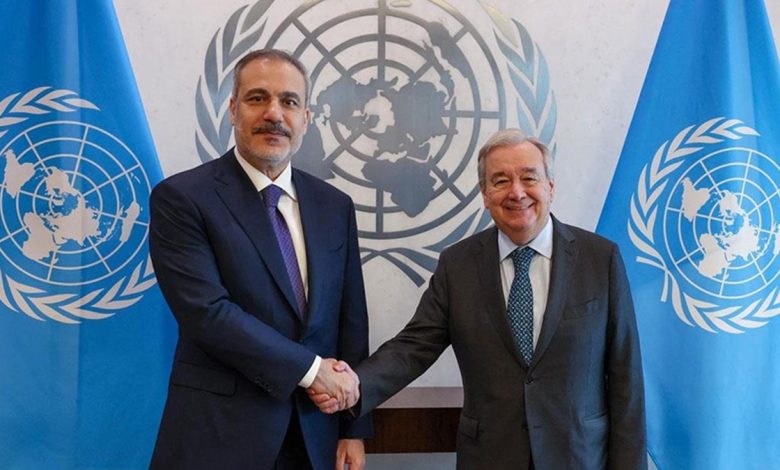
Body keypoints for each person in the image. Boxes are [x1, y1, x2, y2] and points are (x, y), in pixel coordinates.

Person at [312, 129, 646, 469]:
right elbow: (413, 347)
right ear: (485, 195)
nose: (517, 192)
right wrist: (355, 384)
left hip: (579, 457)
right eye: (500, 181)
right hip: (490, 456)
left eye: (529, 178)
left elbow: (626, 376)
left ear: (550, 187)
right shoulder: (458, 265)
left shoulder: (599, 259)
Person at [149, 49, 370, 470]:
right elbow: (208, 313)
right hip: (217, 437)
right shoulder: (182, 199)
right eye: (257, 98)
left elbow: (350, 321)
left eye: (289, 102)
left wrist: (352, 428)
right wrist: (311, 370)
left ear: (306, 118)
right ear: (233, 109)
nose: (274, 114)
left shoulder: (334, 206)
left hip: (315, 437)